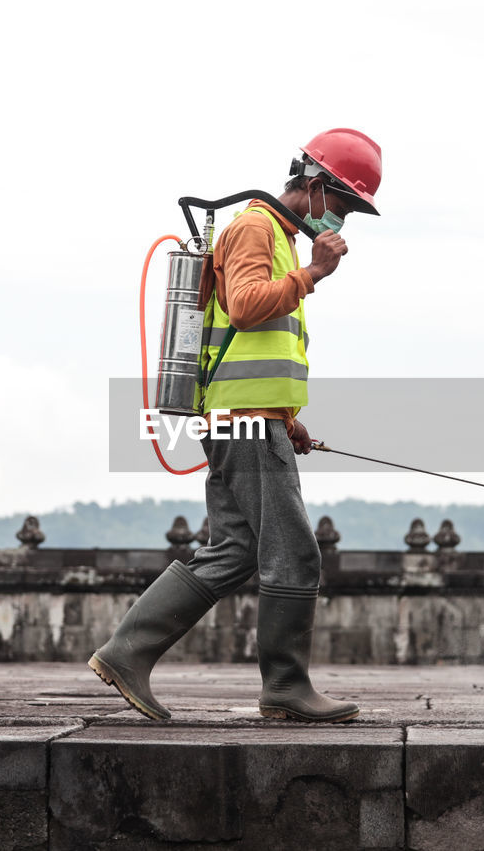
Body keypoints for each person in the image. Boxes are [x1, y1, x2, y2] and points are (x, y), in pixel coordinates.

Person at [89, 128, 382, 723]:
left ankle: (126, 653)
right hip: (243, 423)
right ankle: (286, 686)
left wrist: (287, 419)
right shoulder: (256, 228)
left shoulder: (275, 235)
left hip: (246, 419)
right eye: (344, 204)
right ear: (313, 184)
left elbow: (254, 343)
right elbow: (247, 306)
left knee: (234, 550)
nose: (344, 220)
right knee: (295, 552)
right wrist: (314, 274)